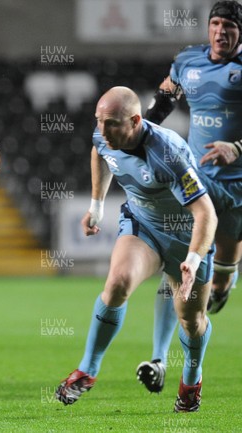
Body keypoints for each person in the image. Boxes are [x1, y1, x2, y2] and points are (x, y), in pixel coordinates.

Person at [55, 87, 217, 412]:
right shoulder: (105, 133)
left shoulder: (168, 153)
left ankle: (191, 379)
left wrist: (193, 258)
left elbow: (206, 213)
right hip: (144, 225)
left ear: (135, 121)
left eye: (112, 123)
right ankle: (88, 370)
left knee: (191, 320)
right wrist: (96, 206)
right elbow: (99, 151)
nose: (103, 131)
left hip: (187, 237)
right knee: (117, 284)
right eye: (99, 121)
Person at [137, 0, 242, 393]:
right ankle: (160, 358)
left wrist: (237, 148)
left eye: (229, 25)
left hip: (239, 187)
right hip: (197, 183)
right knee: (178, 269)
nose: (220, 31)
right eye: (215, 23)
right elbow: (163, 103)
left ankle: (225, 281)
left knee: (216, 289)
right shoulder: (187, 61)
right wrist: (140, 136)